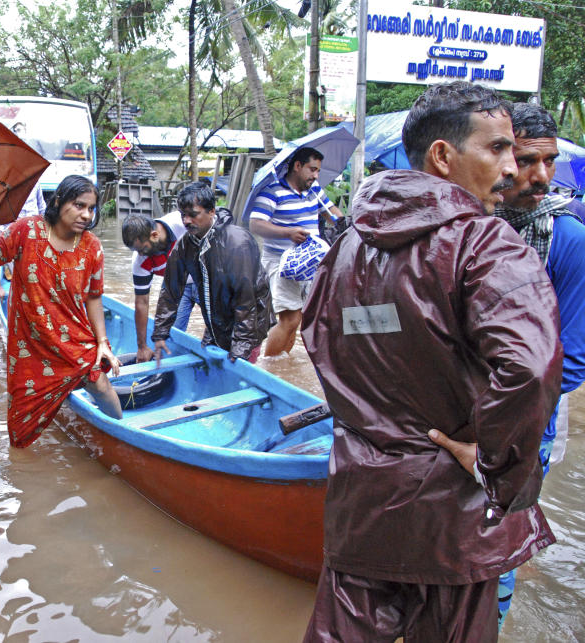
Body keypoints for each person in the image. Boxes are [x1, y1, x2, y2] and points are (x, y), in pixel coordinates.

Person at [300, 81, 563, 641]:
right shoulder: (485, 243)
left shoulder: (348, 243)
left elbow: (318, 338)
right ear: (443, 156)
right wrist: (498, 469)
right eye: (497, 149)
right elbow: (531, 369)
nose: (513, 168)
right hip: (453, 517)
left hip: (362, 499)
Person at [491, 102, 585, 628]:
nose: (541, 176)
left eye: (549, 162)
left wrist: (501, 420)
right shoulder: (472, 224)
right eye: (527, 161)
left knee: (499, 547)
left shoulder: (567, 239)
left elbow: (572, 360)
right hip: (457, 420)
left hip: (525, 425)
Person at [0, 175, 122, 448]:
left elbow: (94, 297)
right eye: (79, 205)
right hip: (31, 347)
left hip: (74, 341)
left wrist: (102, 343)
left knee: (100, 384)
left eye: (91, 208)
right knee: (20, 434)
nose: (86, 214)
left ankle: (121, 437)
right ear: (59, 201)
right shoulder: (25, 230)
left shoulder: (92, 247)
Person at [151, 182, 269, 364]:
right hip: (217, 320)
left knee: (239, 369)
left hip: (250, 325)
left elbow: (246, 301)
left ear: (212, 211)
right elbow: (170, 291)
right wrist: (160, 333)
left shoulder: (237, 243)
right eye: (183, 215)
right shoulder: (186, 244)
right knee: (213, 363)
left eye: (193, 215)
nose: (186, 221)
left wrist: (241, 348)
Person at [248, 146, 344, 357]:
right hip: (281, 262)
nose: (315, 175)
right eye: (312, 169)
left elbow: (332, 213)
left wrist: (343, 222)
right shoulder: (272, 192)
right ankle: (270, 367)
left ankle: (283, 363)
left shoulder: (314, 190)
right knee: (290, 318)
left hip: (310, 262)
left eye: (318, 170)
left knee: (303, 318)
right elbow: (255, 224)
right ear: (297, 166)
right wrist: (288, 233)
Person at [121, 211, 197, 362]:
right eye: (136, 250)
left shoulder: (182, 223)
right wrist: (141, 346)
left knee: (219, 330)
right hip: (178, 286)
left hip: (205, 279)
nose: (140, 254)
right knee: (171, 335)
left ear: (154, 235)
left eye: (143, 249)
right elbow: (142, 302)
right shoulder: (140, 262)